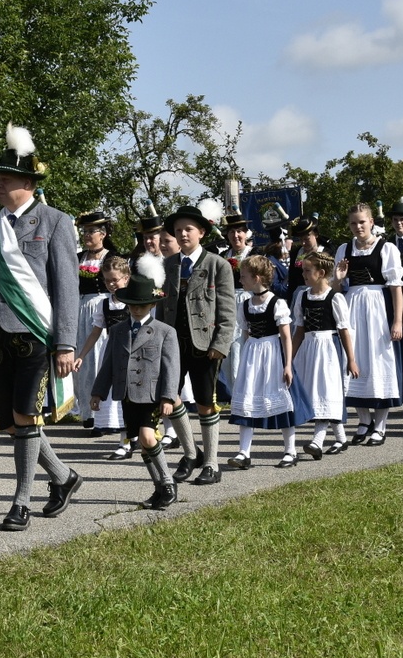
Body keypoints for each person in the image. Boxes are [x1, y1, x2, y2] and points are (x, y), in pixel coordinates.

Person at [0, 124, 83, 533]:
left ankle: (21, 502)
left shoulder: (55, 221)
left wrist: (65, 343)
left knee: (25, 414)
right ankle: (64, 477)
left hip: (36, 334)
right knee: (13, 422)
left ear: (28, 183)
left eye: (7, 178)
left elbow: (66, 287)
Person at [91, 253, 181, 510]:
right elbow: (108, 364)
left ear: (151, 305)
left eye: (141, 305)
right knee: (142, 444)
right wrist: (98, 392)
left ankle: (168, 483)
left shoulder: (165, 332)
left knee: (148, 437)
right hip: (128, 395)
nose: (136, 309)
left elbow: (171, 367)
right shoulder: (118, 330)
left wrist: (168, 397)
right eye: (132, 305)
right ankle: (158, 487)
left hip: (151, 395)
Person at [157, 202, 236, 485]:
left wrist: (220, 344)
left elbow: (227, 310)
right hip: (173, 344)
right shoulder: (167, 265)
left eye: (188, 229)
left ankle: (212, 463)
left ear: (201, 232)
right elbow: (160, 308)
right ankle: (191, 453)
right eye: (178, 230)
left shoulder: (217, 265)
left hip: (205, 345)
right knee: (169, 396)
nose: (182, 234)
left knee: (205, 402)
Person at [334, 203, 403, 446]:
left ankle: (381, 425)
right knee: (354, 360)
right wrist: (338, 279)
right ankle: (364, 420)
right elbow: (336, 289)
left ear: (372, 222)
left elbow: (396, 287)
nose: (358, 227)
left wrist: (397, 321)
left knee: (379, 362)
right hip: (352, 307)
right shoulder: (344, 249)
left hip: (378, 310)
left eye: (362, 222)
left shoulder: (386, 248)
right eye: (353, 223)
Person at [227, 255, 295, 466]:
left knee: (280, 400)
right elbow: (246, 334)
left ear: (256, 278)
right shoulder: (245, 305)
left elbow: (286, 337)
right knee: (247, 398)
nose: (240, 280)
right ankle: (244, 452)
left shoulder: (277, 303)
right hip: (252, 354)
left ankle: (290, 450)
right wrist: (247, 358)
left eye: (243, 276)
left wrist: (287, 365)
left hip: (272, 353)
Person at [289, 250, 356, 462]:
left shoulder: (335, 298)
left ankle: (317, 442)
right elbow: (299, 330)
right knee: (317, 394)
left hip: (328, 349)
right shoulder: (302, 296)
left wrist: (351, 359)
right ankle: (341, 438)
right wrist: (289, 357)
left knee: (327, 391)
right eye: (303, 270)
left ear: (321, 273)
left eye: (307, 271)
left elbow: (344, 330)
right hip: (309, 349)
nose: (303, 275)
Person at [76, 256, 133, 459]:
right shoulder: (104, 304)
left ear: (126, 278)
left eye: (115, 280)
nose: (111, 284)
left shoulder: (134, 301)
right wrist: (81, 355)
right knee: (116, 398)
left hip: (132, 352)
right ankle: (125, 442)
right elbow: (95, 332)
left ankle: (136, 437)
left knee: (132, 397)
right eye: (107, 280)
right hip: (111, 354)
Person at [73, 210, 116, 432]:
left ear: (103, 234)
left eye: (91, 231)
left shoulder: (113, 257)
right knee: (83, 361)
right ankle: (87, 413)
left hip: (104, 308)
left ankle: (105, 415)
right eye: (85, 231)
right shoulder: (78, 257)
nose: (87, 235)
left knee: (100, 358)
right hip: (81, 310)